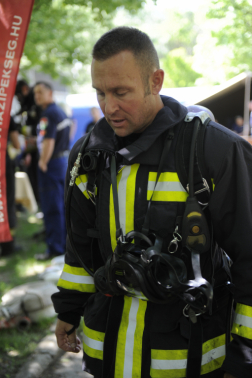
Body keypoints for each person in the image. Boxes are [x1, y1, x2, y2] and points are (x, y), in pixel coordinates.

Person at [52, 27, 252, 378]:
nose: (108, 107)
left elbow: (250, 253)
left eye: (120, 92)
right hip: (106, 353)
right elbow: (79, 250)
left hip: (188, 358)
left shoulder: (213, 150)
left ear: (155, 80)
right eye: (100, 92)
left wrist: (244, 353)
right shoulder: (86, 156)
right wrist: (67, 312)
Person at [33, 81, 71, 260]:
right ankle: (63, 245)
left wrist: (42, 161)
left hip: (52, 164)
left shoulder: (48, 114)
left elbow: (49, 141)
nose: (37, 96)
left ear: (50, 93)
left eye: (40, 92)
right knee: (61, 205)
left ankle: (55, 248)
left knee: (52, 207)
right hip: (61, 161)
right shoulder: (59, 111)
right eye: (35, 93)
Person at [0, 117, 21, 256]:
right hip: (4, 164)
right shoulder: (5, 113)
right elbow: (17, 144)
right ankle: (8, 245)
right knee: (7, 203)